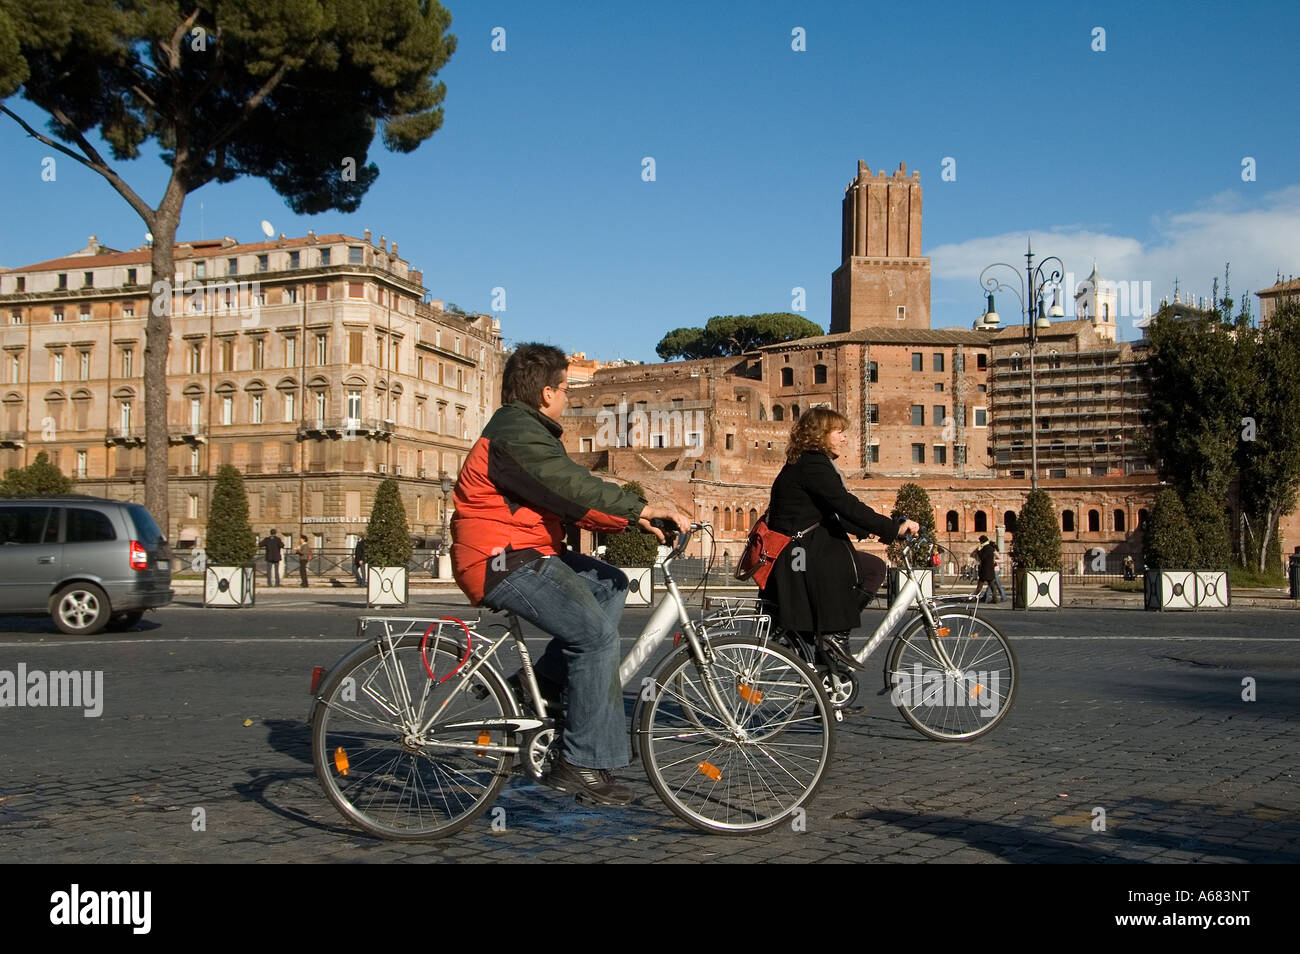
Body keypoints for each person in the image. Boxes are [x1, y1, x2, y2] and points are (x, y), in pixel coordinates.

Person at [452, 343, 690, 807]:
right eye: (564, 388)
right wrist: (639, 505)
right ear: (545, 393)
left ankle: (538, 686)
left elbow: (566, 501)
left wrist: (632, 519)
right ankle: (579, 763)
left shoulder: (527, 432)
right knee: (597, 637)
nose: (566, 397)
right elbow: (566, 485)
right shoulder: (516, 434)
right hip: (499, 559)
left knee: (610, 583)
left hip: (523, 551)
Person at [760, 407, 920, 671]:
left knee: (867, 567)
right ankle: (834, 633)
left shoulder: (803, 463)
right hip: (802, 555)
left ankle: (829, 651)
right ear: (820, 434)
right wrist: (893, 529)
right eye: (838, 432)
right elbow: (845, 505)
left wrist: (870, 529)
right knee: (873, 569)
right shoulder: (812, 464)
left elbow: (829, 511)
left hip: (799, 552)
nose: (843, 438)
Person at [973, 534, 1004, 603]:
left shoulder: (985, 548)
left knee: (979, 586)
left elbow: (982, 557)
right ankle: (995, 599)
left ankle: (975, 598)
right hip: (990, 569)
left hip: (984, 570)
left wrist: (978, 551)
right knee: (992, 586)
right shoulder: (991, 548)